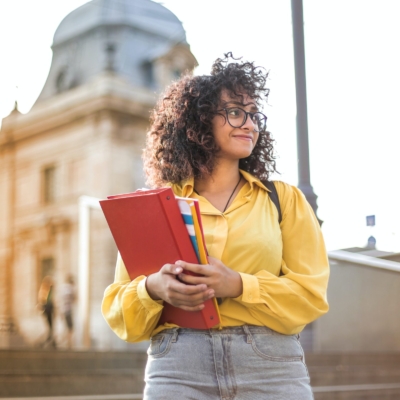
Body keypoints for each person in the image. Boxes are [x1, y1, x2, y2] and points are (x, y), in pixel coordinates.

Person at [102, 53, 329, 399]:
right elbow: (121, 310)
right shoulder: (158, 206)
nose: (250, 124)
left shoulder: (284, 200)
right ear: (199, 120)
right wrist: (153, 288)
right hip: (178, 365)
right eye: (236, 112)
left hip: (270, 365)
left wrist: (238, 285)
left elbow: (310, 296)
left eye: (255, 115)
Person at [38, 275, 56, 348]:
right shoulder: (44, 290)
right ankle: (49, 340)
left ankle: (51, 340)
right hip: (47, 309)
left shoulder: (49, 290)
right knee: (50, 326)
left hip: (49, 309)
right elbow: (43, 301)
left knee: (51, 326)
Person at [60, 274, 76, 348]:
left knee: (67, 327)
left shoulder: (63, 288)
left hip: (63, 310)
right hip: (68, 310)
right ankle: (68, 343)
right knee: (70, 328)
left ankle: (67, 342)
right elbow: (73, 298)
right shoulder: (69, 288)